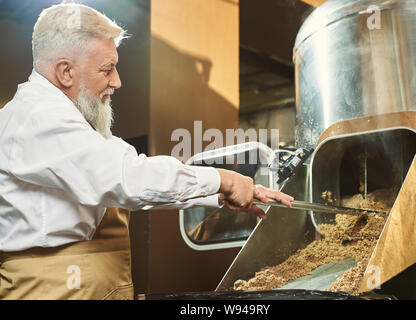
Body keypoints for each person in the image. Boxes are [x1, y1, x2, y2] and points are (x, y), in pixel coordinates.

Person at [0, 3, 293, 299]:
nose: (117, 81)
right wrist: (222, 180)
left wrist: (218, 194)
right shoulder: (36, 116)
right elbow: (128, 179)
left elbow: (135, 179)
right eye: (107, 69)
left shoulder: (71, 122)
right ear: (65, 71)